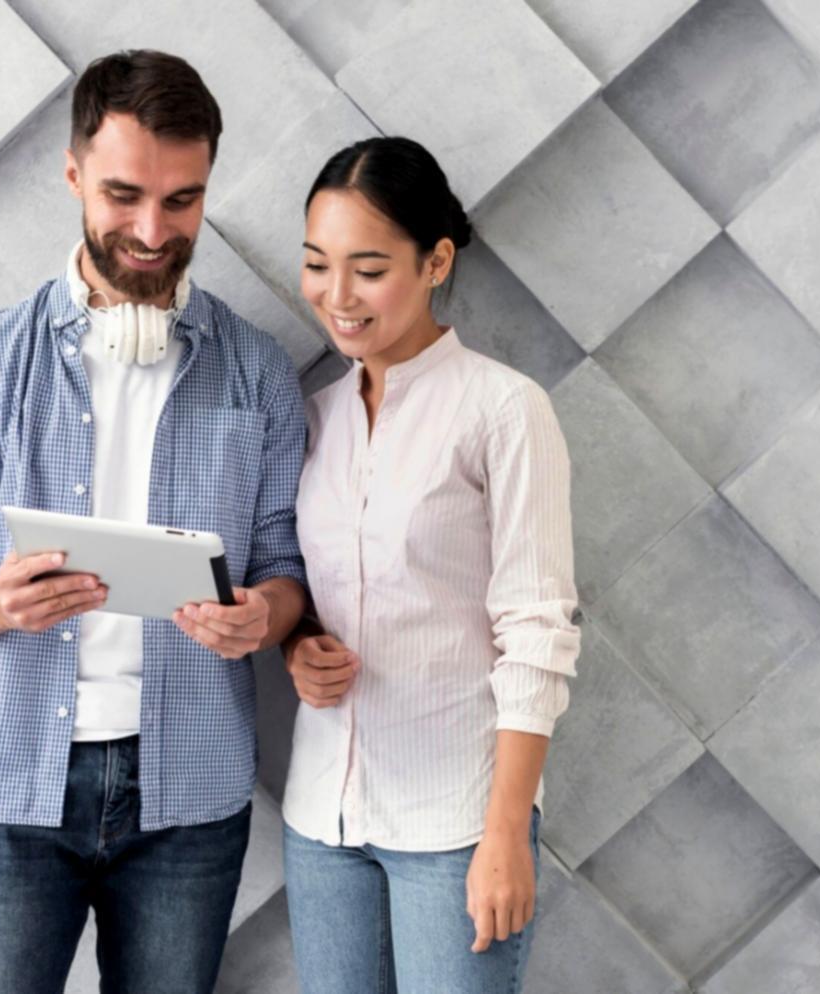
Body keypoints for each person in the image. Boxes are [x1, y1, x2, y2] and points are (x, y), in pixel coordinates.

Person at [0, 50, 308, 994]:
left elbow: (287, 568)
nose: (153, 230)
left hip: (190, 799)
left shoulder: (256, 373)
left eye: (182, 200)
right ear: (74, 172)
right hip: (11, 791)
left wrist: (267, 615)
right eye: (124, 194)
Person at [280, 136, 581, 993]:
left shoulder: (505, 410)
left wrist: (504, 834)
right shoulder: (315, 416)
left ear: (436, 260)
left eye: (368, 269)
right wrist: (296, 644)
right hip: (323, 821)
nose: (336, 297)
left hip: (457, 824)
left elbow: (538, 630)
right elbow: (313, 587)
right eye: (315, 264)